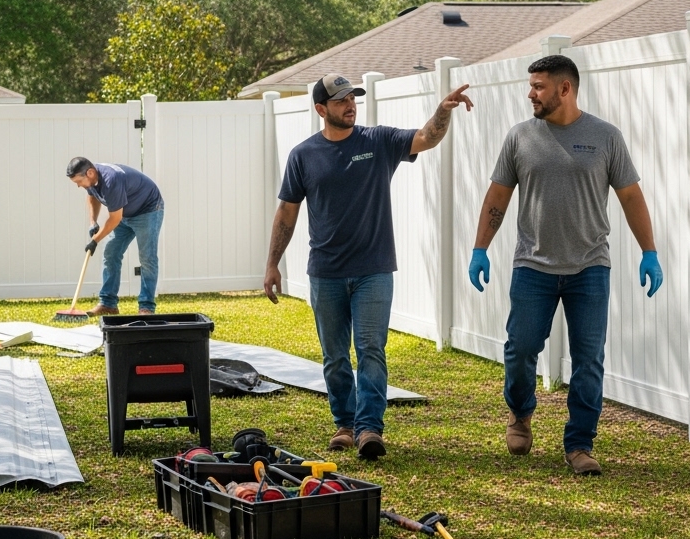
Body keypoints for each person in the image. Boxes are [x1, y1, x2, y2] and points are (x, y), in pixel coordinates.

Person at [468, 54, 663, 475]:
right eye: (530, 85)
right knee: (520, 351)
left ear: (565, 88)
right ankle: (520, 414)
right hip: (532, 266)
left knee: (589, 359)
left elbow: (631, 196)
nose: (530, 93)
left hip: (590, 266)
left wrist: (649, 251)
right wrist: (479, 247)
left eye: (538, 86)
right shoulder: (520, 137)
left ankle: (579, 445)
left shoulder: (605, 137)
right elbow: (497, 197)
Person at [264, 72, 473, 460]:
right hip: (325, 271)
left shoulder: (377, 141)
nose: (350, 105)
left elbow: (426, 137)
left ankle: (369, 429)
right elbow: (287, 213)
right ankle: (344, 423)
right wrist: (272, 264)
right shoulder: (303, 155)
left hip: (374, 270)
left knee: (371, 349)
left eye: (353, 98)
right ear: (321, 109)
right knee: (335, 355)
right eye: (341, 100)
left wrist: (443, 112)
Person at [66, 157, 164, 315]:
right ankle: (108, 304)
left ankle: (146, 307)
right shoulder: (91, 178)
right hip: (125, 213)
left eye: (79, 181)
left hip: (148, 210)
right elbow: (92, 196)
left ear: (90, 173)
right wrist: (93, 222)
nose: (78, 186)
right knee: (111, 253)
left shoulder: (111, 180)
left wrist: (95, 240)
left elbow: (114, 219)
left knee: (147, 258)